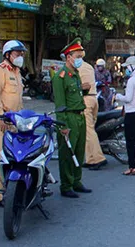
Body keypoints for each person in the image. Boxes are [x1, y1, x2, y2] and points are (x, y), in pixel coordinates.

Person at [52, 38, 92, 198]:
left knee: (79, 151)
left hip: (80, 116)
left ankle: (77, 180)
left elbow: (76, 95)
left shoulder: (75, 74)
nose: (80, 60)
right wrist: (62, 126)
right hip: (68, 118)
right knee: (67, 154)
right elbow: (60, 104)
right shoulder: (60, 77)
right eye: (77, 56)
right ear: (68, 57)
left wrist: (85, 90)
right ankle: (66, 185)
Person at [0, 40, 26, 207]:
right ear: (8, 54)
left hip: (15, 121)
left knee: (15, 156)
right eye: (17, 53)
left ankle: (13, 190)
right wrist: (1, 116)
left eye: (21, 53)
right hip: (1, 121)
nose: (20, 56)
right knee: (0, 157)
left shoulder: (17, 72)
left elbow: (18, 99)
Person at [115, 56, 135, 176]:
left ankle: (131, 167)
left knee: (130, 141)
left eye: (128, 67)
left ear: (134, 67)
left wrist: (118, 96)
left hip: (132, 113)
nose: (127, 69)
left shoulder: (132, 80)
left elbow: (128, 98)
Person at [79, 59, 107, 171]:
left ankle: (98, 158)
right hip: (94, 98)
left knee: (88, 131)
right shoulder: (89, 66)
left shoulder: (76, 68)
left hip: (85, 99)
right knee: (88, 131)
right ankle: (90, 159)